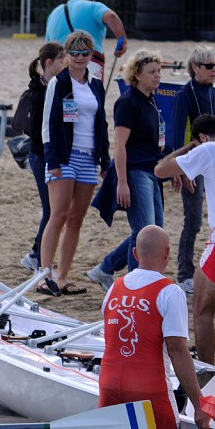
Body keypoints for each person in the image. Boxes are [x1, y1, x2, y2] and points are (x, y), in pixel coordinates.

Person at [98, 225, 209, 429]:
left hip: (109, 388)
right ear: (168, 254)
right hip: (150, 392)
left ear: (136, 254)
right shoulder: (171, 292)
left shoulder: (113, 289)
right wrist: (199, 405)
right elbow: (178, 351)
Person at [154, 115, 215, 365]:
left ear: (203, 138)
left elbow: (161, 169)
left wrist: (190, 147)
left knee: (202, 311)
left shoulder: (209, 150)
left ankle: (207, 372)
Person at [36, 31, 109, 297]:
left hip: (88, 157)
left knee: (77, 219)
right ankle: (44, 275)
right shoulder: (59, 83)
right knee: (59, 215)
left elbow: (102, 123)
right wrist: (52, 159)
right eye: (75, 53)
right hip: (64, 156)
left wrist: (104, 158)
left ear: (92, 56)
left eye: (85, 53)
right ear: (67, 55)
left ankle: (63, 276)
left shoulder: (96, 84)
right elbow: (49, 123)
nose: (80, 58)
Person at [86, 49, 165, 290]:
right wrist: (121, 181)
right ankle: (135, 286)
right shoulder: (128, 102)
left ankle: (105, 269)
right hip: (135, 172)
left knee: (153, 231)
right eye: (152, 72)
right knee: (144, 233)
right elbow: (120, 145)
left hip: (152, 171)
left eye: (159, 71)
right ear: (137, 74)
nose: (158, 76)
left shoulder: (151, 99)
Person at [166, 46, 215, 295]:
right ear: (195, 67)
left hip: (214, 162)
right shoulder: (184, 94)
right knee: (193, 221)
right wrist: (181, 171)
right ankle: (184, 274)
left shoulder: (212, 91)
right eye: (209, 66)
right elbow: (177, 136)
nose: (214, 70)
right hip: (194, 163)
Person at [19, 41, 66, 273]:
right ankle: (38, 259)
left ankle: (36, 255)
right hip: (41, 156)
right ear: (49, 63)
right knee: (50, 210)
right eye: (61, 60)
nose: (65, 64)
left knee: (53, 210)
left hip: (45, 156)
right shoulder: (41, 94)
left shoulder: (50, 88)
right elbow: (40, 132)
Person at [44, 0, 127, 81]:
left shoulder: (54, 13)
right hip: (88, 59)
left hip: (60, 63)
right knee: (92, 92)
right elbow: (111, 16)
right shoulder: (93, 6)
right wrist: (122, 40)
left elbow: (48, 47)